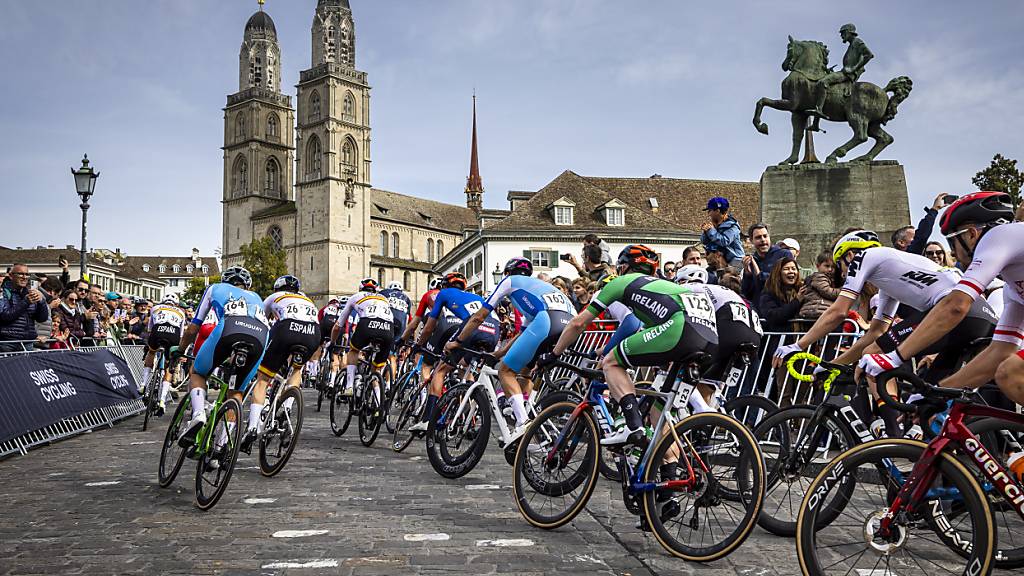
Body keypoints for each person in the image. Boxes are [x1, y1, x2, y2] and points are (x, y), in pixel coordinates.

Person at [775, 229, 996, 437]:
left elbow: (839, 311)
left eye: (841, 265)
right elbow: (876, 332)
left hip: (955, 310)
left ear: (849, 255)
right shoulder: (890, 278)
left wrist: (797, 346)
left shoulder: (864, 257)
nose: (843, 273)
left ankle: (893, 434)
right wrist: (831, 364)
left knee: (873, 357)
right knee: (930, 400)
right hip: (979, 315)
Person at [858, 193, 1023, 413]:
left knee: (1011, 372)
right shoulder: (1013, 290)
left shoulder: (998, 236)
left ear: (972, 234)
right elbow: (999, 353)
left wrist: (895, 357)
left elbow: (956, 305)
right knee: (1009, 369)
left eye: (952, 240)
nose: (952, 251)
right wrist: (936, 393)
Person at [542, 245, 718, 445]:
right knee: (658, 417)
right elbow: (647, 331)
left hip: (682, 329)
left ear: (623, 267)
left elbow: (578, 323)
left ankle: (633, 426)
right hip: (711, 338)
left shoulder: (620, 282)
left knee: (611, 362)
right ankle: (668, 471)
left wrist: (554, 354)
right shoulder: (662, 287)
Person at [445, 257, 575, 434]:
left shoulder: (509, 281)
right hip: (569, 326)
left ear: (506, 273)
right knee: (526, 373)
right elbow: (524, 333)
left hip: (547, 321)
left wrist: (458, 341)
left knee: (505, 371)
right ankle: (527, 421)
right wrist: (499, 354)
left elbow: (478, 316)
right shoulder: (537, 289)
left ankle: (523, 425)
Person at [176, 266, 270, 449]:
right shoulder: (257, 297)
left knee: (198, 373)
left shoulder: (215, 288)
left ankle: (198, 415)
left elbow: (194, 327)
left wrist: (180, 349)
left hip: (230, 328)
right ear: (247, 284)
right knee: (236, 393)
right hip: (260, 337)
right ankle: (220, 447)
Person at [410, 272, 501, 432]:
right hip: (494, 331)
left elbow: (430, 326)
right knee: (466, 369)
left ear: (444, 285)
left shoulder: (443, 293)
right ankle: (470, 416)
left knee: (440, 371)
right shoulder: (476, 298)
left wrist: (418, 344)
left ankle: (427, 420)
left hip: (472, 327)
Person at [240, 275, 321, 453]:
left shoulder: (274, 297)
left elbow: (259, 321)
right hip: (313, 332)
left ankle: (253, 427)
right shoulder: (307, 300)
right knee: (297, 370)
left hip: (287, 329)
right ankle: (286, 406)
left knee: (262, 380)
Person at [676, 265, 762, 384]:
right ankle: (714, 402)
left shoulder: (689, 287)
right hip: (754, 337)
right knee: (709, 383)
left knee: (686, 376)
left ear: (681, 281)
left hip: (731, 330)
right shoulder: (718, 290)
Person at [331, 278, 393, 401]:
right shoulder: (383, 299)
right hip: (388, 329)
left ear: (361, 289)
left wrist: (333, 342)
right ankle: (378, 403)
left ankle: (349, 386)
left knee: (353, 351)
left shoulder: (355, 297)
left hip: (367, 325)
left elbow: (338, 325)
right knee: (376, 369)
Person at [809, 23, 873, 117]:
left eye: (843, 33)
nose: (841, 35)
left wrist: (854, 68)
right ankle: (815, 123)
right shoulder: (852, 44)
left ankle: (819, 109)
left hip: (847, 74)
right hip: (844, 72)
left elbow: (869, 55)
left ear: (849, 32)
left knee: (823, 82)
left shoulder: (857, 42)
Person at [141, 294, 187, 415]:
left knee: (151, 352)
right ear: (176, 304)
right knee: (169, 366)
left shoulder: (155, 308)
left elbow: (150, 328)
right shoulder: (181, 312)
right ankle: (162, 400)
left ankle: (143, 384)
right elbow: (181, 334)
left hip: (158, 332)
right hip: (173, 336)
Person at [741, 223, 793, 312]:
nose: (763, 240)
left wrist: (759, 275)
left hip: (779, 310)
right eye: (758, 237)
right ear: (751, 240)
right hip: (759, 313)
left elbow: (785, 281)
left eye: (765, 236)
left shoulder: (784, 255)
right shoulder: (751, 261)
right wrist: (747, 275)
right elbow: (747, 293)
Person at [0, 264, 50, 351]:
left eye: (27, 274)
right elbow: (4, 316)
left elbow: (42, 318)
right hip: (7, 343)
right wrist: (26, 302)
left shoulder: (30, 292)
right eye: (20, 274)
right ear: (11, 276)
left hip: (27, 342)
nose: (24, 277)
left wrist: (41, 301)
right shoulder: (3, 293)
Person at [758, 258, 804, 332]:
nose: (791, 271)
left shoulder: (802, 290)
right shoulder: (769, 293)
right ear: (778, 272)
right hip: (779, 340)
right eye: (786, 269)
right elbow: (773, 316)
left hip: (801, 338)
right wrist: (797, 301)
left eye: (793, 268)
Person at [700, 197, 744, 269]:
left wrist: (711, 230)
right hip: (719, 262)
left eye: (710, 211)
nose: (708, 214)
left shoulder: (733, 225)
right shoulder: (714, 224)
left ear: (717, 211)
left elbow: (724, 241)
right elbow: (704, 241)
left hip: (735, 262)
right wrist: (705, 232)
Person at [380, 281, 412, 376]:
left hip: (388, 321)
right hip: (401, 326)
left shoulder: (384, 292)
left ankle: (378, 378)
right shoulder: (407, 299)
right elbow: (407, 317)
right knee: (393, 356)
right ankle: (390, 384)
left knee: (383, 352)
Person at [798, 252, 839, 320]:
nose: (830, 270)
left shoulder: (827, 278)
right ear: (818, 266)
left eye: (833, 267)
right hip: (818, 310)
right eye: (827, 266)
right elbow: (828, 292)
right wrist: (843, 290)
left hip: (815, 310)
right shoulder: (819, 277)